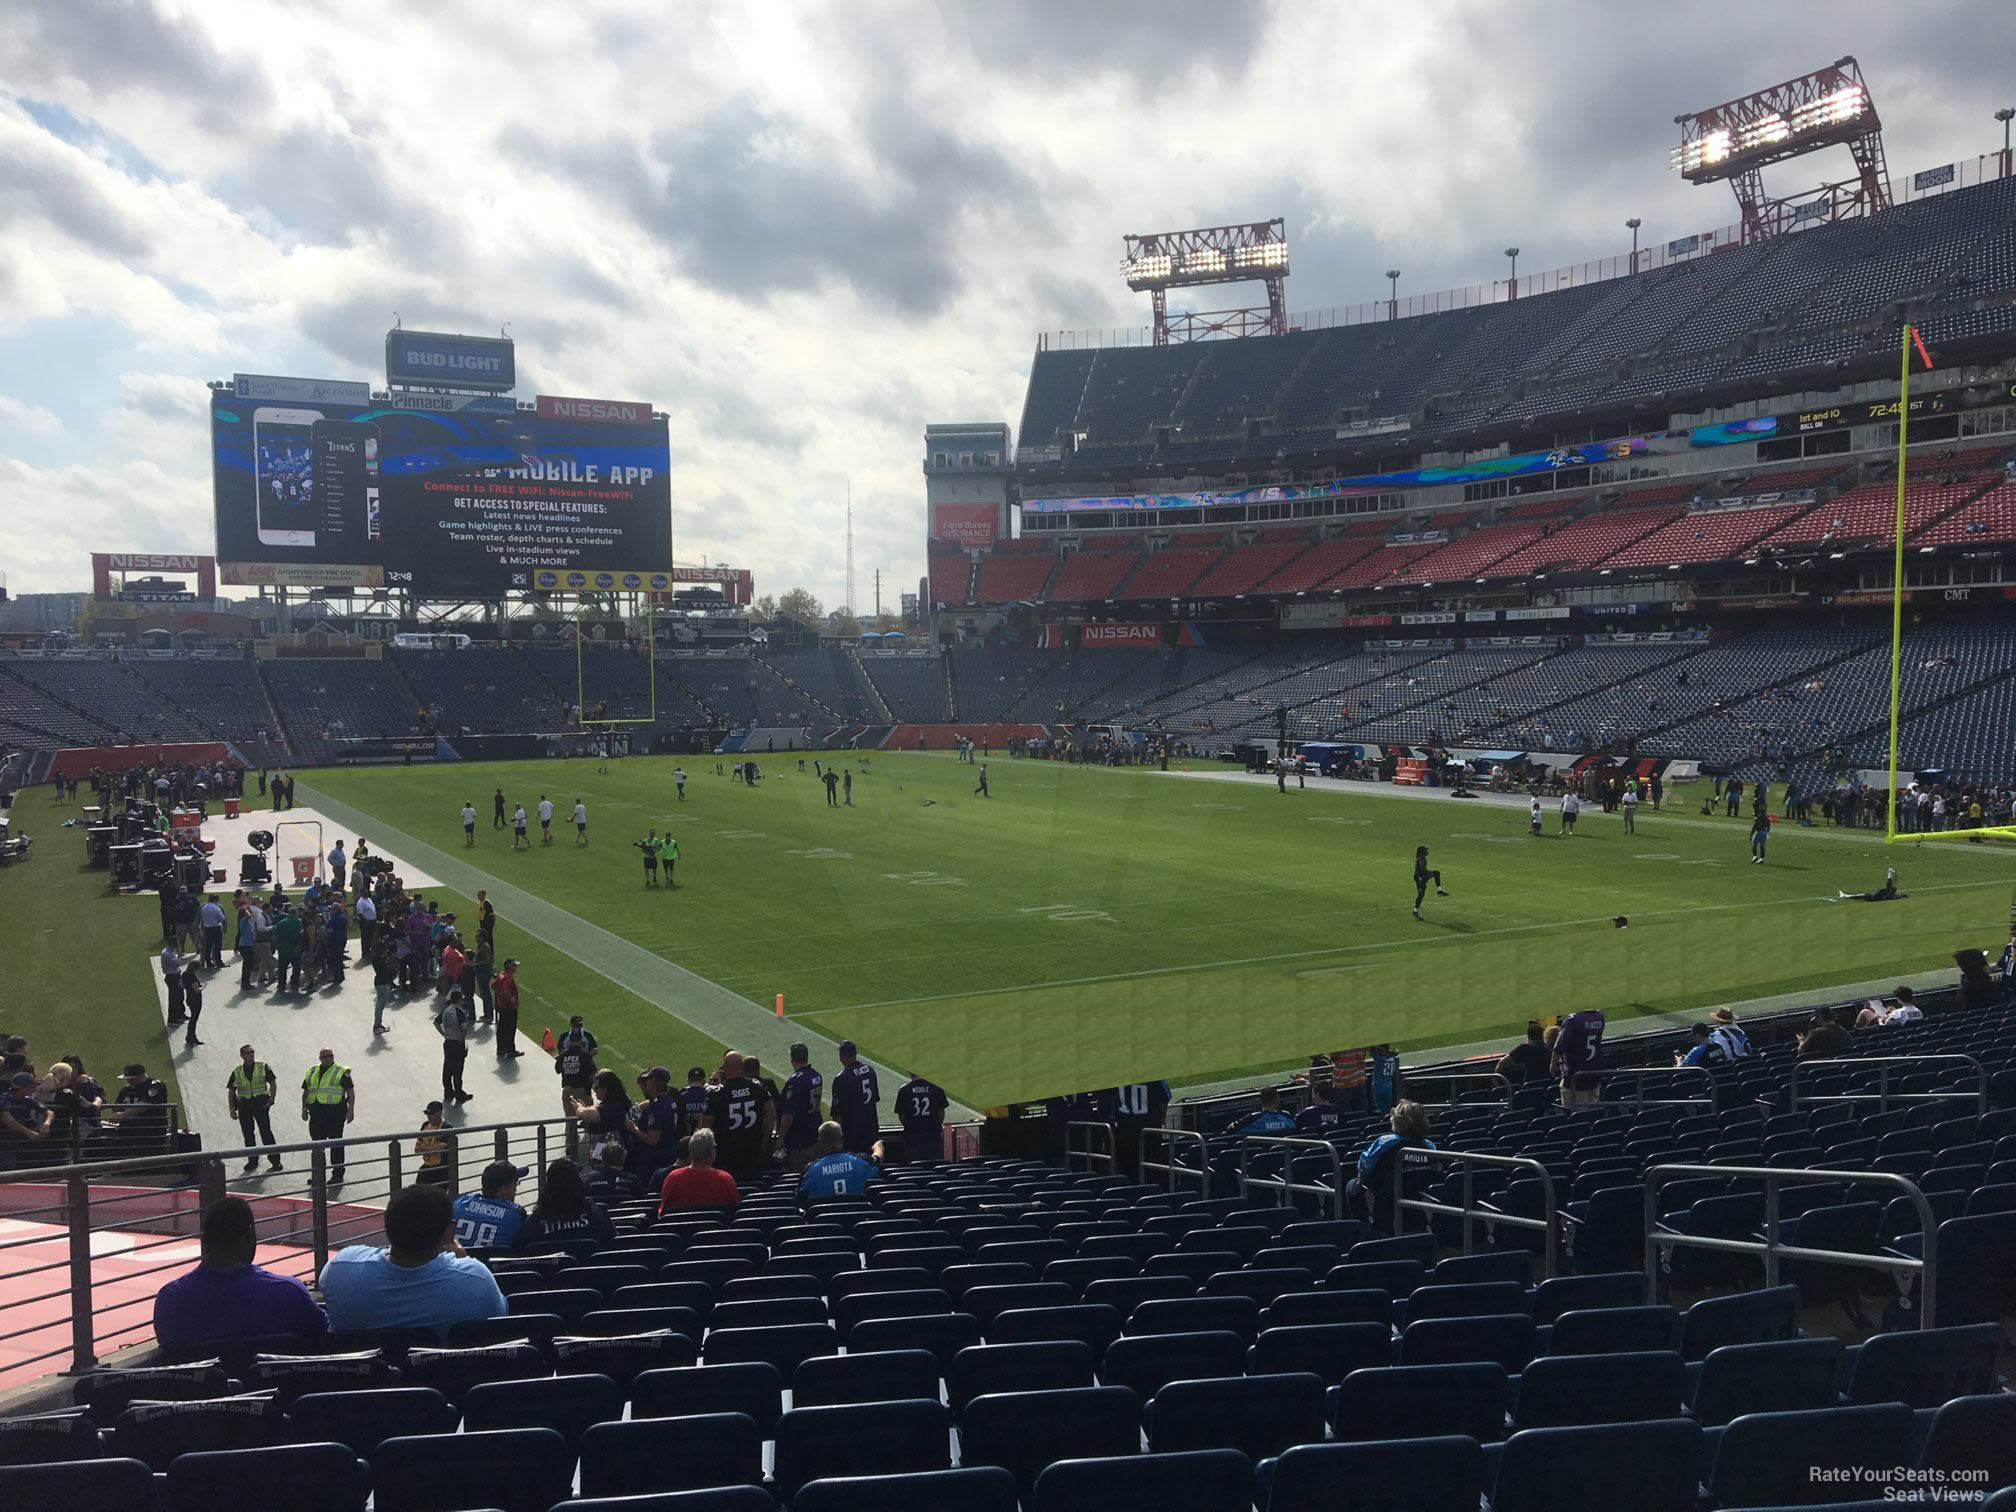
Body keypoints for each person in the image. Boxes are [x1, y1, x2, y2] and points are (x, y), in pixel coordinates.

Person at [319, 1182, 506, 1332]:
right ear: (448, 1233)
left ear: (388, 1224)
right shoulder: (477, 1280)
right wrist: (463, 1261)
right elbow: (501, 1313)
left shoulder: (340, 1267)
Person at [153, 1197, 327, 1355]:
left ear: (204, 1241)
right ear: (249, 1236)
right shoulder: (290, 1293)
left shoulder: (169, 1300)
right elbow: (322, 1332)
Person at [1346, 1101, 1436, 1223]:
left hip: (1385, 1208)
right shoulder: (1430, 1147)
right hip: (1418, 1209)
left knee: (1352, 1185)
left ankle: (1362, 1230)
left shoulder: (1385, 1142)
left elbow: (1363, 1169)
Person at [514, 1159, 616, 1251]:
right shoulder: (596, 1215)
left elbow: (519, 1249)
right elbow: (612, 1243)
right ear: (577, 1184)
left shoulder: (533, 1224)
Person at [705, 1051, 771, 1181]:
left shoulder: (716, 1093)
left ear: (725, 1068)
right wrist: (764, 1141)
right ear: (742, 1067)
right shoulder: (757, 1087)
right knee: (754, 1188)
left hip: (726, 1154)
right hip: (753, 1149)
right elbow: (771, 1115)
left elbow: (705, 1127)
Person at [301, 1048, 355, 1183]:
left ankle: (337, 1175)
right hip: (317, 1114)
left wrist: (351, 1110)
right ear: (320, 1058)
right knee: (317, 1146)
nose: (327, 1058)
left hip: (335, 1114)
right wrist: (303, 1108)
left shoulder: (341, 1071)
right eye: (324, 1056)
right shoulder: (312, 1071)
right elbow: (306, 1091)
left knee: (336, 1144)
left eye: (330, 1056)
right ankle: (318, 1175)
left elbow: (350, 1091)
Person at [228, 1044, 283, 1173]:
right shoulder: (237, 1071)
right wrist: (231, 1109)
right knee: (248, 1134)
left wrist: (271, 1100)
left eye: (252, 1052)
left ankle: (275, 1161)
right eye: (247, 1053)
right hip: (244, 1105)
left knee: (266, 1132)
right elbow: (231, 1091)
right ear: (242, 1056)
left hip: (260, 1104)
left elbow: (273, 1083)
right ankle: (252, 1161)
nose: (250, 1054)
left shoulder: (262, 1066)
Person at [659, 1127, 740, 1212]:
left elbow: (663, 1212)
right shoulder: (725, 1179)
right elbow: (734, 1209)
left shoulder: (673, 1178)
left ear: (690, 1152)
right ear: (712, 1153)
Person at [453, 1161, 530, 1251]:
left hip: (458, 1262)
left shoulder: (459, 1204)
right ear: (504, 1189)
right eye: (515, 1183)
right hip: (496, 1264)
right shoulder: (515, 1214)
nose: (516, 1188)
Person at [799, 1121, 879, 1200]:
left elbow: (802, 1197)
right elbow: (877, 1161)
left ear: (820, 1142)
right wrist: (878, 1149)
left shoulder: (810, 1171)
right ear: (842, 1138)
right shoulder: (862, 1162)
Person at [626, 1067, 682, 1180]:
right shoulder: (668, 1099)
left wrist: (633, 1128)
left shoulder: (658, 1107)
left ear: (654, 1081)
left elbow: (652, 1140)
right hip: (668, 1153)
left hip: (655, 1160)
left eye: (649, 1079)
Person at [777, 1043, 824, 1172]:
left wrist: (780, 1138)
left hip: (800, 1139)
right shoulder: (817, 1076)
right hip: (814, 1133)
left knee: (800, 1174)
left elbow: (788, 1114)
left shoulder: (795, 1081)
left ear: (792, 1058)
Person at [830, 1040, 880, 1154]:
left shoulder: (842, 1078)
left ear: (842, 1056)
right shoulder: (870, 1070)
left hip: (853, 1135)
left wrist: (837, 1140)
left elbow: (838, 1113)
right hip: (871, 1130)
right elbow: (874, 1100)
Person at [1551, 1008, 1606, 1108]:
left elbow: (1560, 1045)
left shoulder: (1573, 1019)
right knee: (1593, 1111)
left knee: (1576, 1115)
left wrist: (1553, 1065)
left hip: (1576, 1074)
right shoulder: (1600, 1016)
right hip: (1595, 1071)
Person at [895, 1072, 947, 1163]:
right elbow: (941, 1113)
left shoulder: (904, 1089)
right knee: (935, 1166)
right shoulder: (936, 1088)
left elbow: (902, 1116)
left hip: (913, 1136)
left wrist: (910, 1127)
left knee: (915, 1168)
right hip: (933, 1135)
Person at [435, 988, 473, 1105]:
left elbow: (436, 1022)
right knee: (458, 1069)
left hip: (448, 1042)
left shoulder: (446, 1011)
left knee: (447, 1068)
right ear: (458, 1000)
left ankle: (448, 1091)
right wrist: (462, 1039)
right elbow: (464, 1028)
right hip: (457, 1043)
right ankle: (459, 1092)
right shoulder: (459, 1012)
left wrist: (444, 1034)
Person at [554, 1015, 598, 1115]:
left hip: (568, 1088)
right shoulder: (585, 1056)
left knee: (569, 1119)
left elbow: (557, 1069)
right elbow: (594, 1072)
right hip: (583, 1087)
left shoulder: (564, 1054)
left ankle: (570, 1130)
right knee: (588, 1117)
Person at [415, 1101, 451, 1187]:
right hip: (426, 1167)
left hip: (440, 1169)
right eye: (427, 1114)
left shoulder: (446, 1127)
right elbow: (416, 1150)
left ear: (440, 1113)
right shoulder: (425, 1125)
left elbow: (437, 1150)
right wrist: (430, 1148)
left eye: (432, 1114)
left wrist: (423, 1146)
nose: (429, 1117)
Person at [492, 958, 523, 1057]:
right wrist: (511, 999)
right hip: (509, 1008)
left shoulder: (501, 975)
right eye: (514, 965)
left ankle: (501, 1049)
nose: (516, 967)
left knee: (501, 1029)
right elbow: (505, 990)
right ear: (509, 967)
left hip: (502, 1007)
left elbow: (494, 986)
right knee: (510, 1029)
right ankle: (510, 1050)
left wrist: (500, 994)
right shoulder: (508, 977)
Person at [1856, 986, 1924, 1029]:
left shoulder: (1897, 1013)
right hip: (1904, 1032)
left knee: (1865, 1012)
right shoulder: (1918, 1011)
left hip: (1889, 1034)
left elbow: (1885, 1028)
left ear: (1899, 999)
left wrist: (1879, 1020)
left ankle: (1856, 1031)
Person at [1410, 845, 1446, 920]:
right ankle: (1439, 891)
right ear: (1422, 852)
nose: (1427, 851)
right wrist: (1427, 873)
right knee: (1421, 894)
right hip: (1421, 877)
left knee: (1421, 894)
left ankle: (1439, 891)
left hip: (1420, 876)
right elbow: (1422, 869)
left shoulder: (1420, 857)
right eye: (1426, 850)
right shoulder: (1421, 858)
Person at [179, 960, 204, 1049]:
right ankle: (191, 1037)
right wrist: (202, 987)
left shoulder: (184, 974)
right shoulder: (192, 977)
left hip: (189, 998)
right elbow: (196, 990)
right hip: (196, 1000)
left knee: (193, 1018)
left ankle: (190, 1037)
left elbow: (182, 985)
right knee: (194, 1019)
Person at [199, 893, 227, 970]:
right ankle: (218, 962)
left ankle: (208, 962)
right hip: (215, 928)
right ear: (216, 900)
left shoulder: (204, 907)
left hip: (207, 929)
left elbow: (201, 918)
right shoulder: (216, 907)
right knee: (217, 946)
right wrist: (225, 927)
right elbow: (222, 919)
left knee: (208, 946)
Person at [678, 1065, 710, 1131]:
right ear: (703, 1081)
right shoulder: (709, 1095)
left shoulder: (681, 1097)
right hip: (705, 1135)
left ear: (689, 1081)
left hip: (687, 1136)